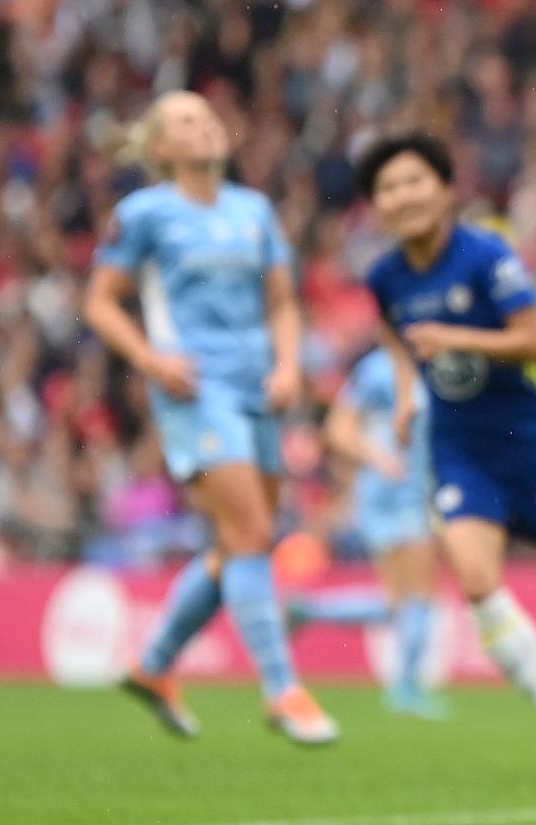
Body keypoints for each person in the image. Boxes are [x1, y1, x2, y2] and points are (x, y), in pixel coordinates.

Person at [354, 133, 536, 780]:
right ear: (376, 206)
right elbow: (397, 336)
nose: (403, 196)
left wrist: (454, 335)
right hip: (459, 449)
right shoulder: (384, 277)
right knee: (476, 581)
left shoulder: (487, 256)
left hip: (530, 441)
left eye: (415, 181)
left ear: (446, 190)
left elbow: (533, 340)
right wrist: (403, 392)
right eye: (389, 187)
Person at [86, 90, 338, 746]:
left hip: (259, 385)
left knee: (239, 542)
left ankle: (155, 663)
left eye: (208, 117)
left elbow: (282, 301)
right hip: (195, 388)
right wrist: (149, 358)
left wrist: (288, 365)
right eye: (185, 121)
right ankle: (283, 688)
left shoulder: (253, 210)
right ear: (160, 147)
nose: (204, 127)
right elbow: (102, 303)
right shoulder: (143, 213)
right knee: (253, 530)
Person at [282, 347, 446, 719]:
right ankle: (405, 688)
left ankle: (310, 610)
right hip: (394, 492)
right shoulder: (379, 369)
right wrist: (378, 458)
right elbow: (338, 428)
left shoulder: (427, 365)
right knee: (418, 594)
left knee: (397, 602)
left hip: (408, 490)